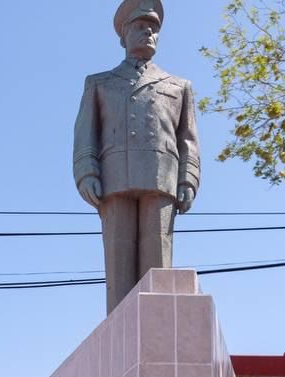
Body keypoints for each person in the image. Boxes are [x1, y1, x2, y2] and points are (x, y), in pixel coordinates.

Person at [73, 0, 201, 310]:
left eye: (154, 28)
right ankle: (121, 335)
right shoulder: (99, 83)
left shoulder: (179, 86)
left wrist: (188, 179)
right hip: (114, 178)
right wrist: (87, 172)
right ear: (123, 35)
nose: (148, 32)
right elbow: (85, 133)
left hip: (162, 177)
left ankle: (154, 327)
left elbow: (188, 139)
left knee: (157, 263)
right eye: (141, 26)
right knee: (119, 265)